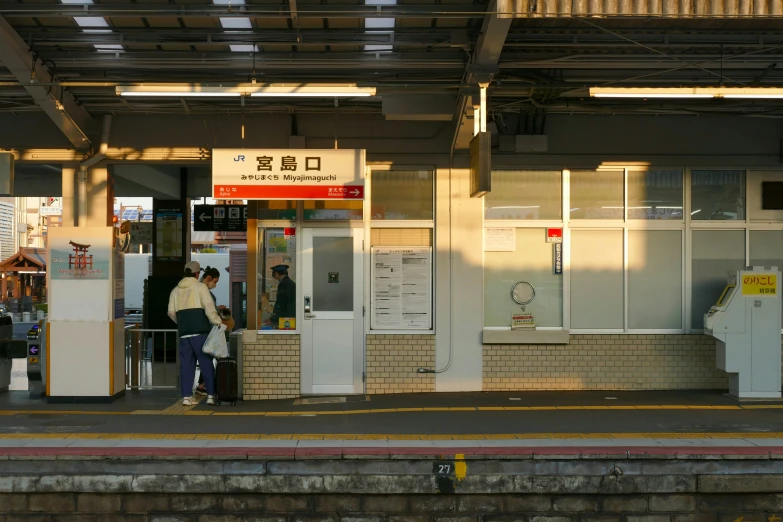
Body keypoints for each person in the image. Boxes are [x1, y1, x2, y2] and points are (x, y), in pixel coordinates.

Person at [167, 261, 225, 406]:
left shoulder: (175, 290)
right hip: (201, 333)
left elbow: (171, 312)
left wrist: (182, 323)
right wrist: (218, 322)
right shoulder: (200, 287)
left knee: (186, 365)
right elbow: (209, 308)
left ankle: (186, 397)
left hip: (184, 334)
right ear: (197, 273)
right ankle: (211, 396)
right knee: (206, 364)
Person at [195, 266, 234, 396]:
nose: (215, 285)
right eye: (215, 281)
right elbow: (207, 310)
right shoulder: (203, 290)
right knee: (208, 357)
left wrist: (217, 308)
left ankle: (203, 385)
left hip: (202, 328)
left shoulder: (199, 289)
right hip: (205, 329)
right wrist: (218, 317)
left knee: (207, 358)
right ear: (209, 278)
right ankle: (203, 386)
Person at [270, 264, 296, 329]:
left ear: (276, 273)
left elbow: (281, 302)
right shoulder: (291, 283)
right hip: (291, 315)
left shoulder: (283, 284)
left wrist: (275, 317)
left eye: (274, 275)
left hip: (285, 317)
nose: (275, 278)